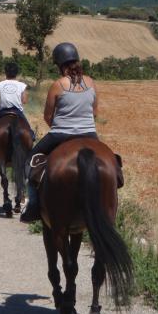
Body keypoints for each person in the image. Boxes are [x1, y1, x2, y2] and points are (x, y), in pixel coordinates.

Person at [20, 43, 99, 223]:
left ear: (59, 65)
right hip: (89, 133)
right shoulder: (91, 82)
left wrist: (61, 125)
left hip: (61, 134)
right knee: (111, 162)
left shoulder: (58, 85)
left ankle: (32, 206)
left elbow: (48, 116)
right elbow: (94, 113)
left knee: (30, 161)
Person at [0, 61, 32, 154]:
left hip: (3, 112)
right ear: (17, 73)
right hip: (17, 112)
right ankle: (30, 144)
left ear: (5, 72)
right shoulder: (22, 85)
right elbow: (24, 101)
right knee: (28, 130)